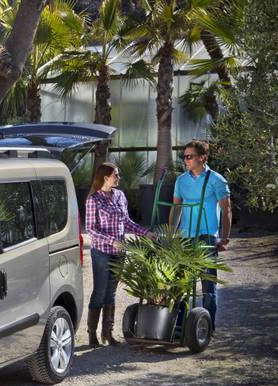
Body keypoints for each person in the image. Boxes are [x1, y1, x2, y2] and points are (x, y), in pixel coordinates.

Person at [85, 163, 155, 347]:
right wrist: (111, 241)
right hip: (101, 253)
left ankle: (107, 333)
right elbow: (91, 229)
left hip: (119, 253)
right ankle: (92, 334)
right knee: (99, 292)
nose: (118, 177)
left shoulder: (120, 196)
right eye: (115, 174)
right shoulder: (94, 200)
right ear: (105, 177)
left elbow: (127, 222)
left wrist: (145, 233)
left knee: (111, 293)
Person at [169, 140, 231, 330]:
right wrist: (171, 234)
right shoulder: (181, 180)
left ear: (202, 157)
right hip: (185, 236)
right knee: (180, 283)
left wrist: (224, 238)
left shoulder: (216, 180)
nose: (186, 160)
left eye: (190, 156)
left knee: (208, 285)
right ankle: (178, 327)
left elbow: (226, 210)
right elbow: (176, 208)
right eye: (185, 156)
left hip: (207, 236)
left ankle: (206, 327)